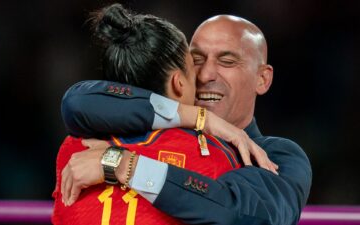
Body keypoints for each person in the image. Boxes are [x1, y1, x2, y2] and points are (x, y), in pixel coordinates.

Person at [60, 12, 312, 225]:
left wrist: (124, 164)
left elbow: (241, 214)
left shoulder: (276, 155)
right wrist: (198, 117)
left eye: (227, 60)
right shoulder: (138, 130)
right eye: (196, 61)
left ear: (262, 79)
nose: (205, 75)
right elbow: (77, 101)